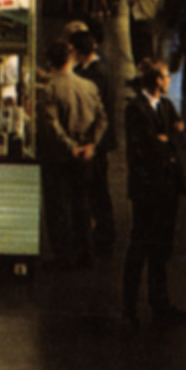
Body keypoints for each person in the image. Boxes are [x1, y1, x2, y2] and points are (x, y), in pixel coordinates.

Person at [122, 58, 186, 326]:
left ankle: (159, 304)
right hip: (147, 189)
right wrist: (171, 138)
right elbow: (152, 147)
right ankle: (130, 308)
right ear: (157, 81)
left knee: (161, 248)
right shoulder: (136, 110)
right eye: (166, 76)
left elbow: (185, 136)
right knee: (140, 246)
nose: (169, 80)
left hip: (167, 188)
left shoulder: (165, 105)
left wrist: (168, 140)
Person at [36, 36, 107, 269]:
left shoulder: (50, 90)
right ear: (71, 59)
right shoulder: (88, 86)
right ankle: (86, 252)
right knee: (82, 204)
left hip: (59, 157)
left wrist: (69, 147)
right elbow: (102, 119)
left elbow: (51, 124)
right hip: (85, 156)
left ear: (49, 62)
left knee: (58, 207)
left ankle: (63, 256)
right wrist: (90, 145)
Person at [70, 30, 119, 258]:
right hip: (95, 139)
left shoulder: (96, 73)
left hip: (97, 140)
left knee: (98, 187)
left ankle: (105, 234)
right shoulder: (90, 69)